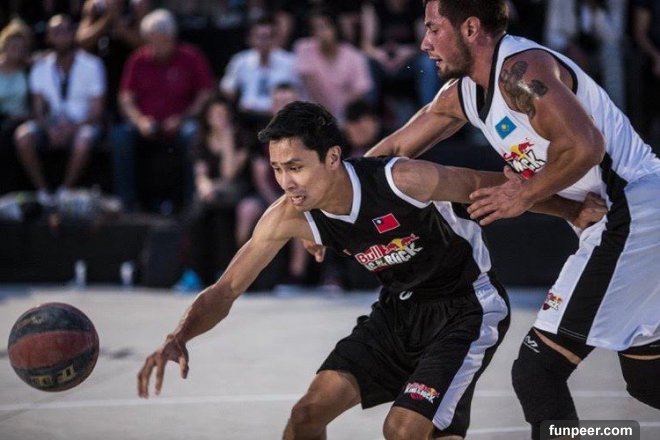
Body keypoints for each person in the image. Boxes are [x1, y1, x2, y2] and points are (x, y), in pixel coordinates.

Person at [137, 101, 602, 439]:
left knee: (401, 429)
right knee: (305, 417)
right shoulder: (288, 215)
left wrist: (569, 210)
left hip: (465, 309)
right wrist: (179, 336)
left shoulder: (402, 180)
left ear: (332, 158)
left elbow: (492, 186)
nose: (286, 182)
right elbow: (225, 290)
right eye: (277, 169)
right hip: (396, 313)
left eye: (295, 166)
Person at [366, 1, 660, 438]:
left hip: (632, 211)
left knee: (537, 371)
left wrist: (524, 192)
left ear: (470, 28)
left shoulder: (521, 71)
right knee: (647, 378)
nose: (424, 43)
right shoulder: (463, 94)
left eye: (433, 29)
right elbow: (388, 155)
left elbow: (585, 146)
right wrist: (326, 206)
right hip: (625, 219)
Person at [112, 8, 215, 212]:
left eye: (158, 40)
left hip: (182, 122)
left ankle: (191, 203)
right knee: (120, 136)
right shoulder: (138, 59)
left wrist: (183, 117)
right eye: (149, 40)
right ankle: (127, 203)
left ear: (170, 37)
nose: (154, 46)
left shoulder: (191, 56)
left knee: (193, 134)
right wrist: (140, 120)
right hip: (146, 124)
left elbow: (206, 93)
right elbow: (125, 98)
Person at [14, 14, 106, 201]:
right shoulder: (40, 66)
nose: (61, 36)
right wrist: (49, 128)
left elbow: (96, 110)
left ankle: (64, 191)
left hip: (82, 123)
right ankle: (43, 193)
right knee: (23, 136)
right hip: (52, 125)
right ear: (48, 37)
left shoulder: (92, 65)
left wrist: (73, 128)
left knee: (84, 138)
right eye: (55, 32)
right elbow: (38, 109)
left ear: (73, 34)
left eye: (65, 31)